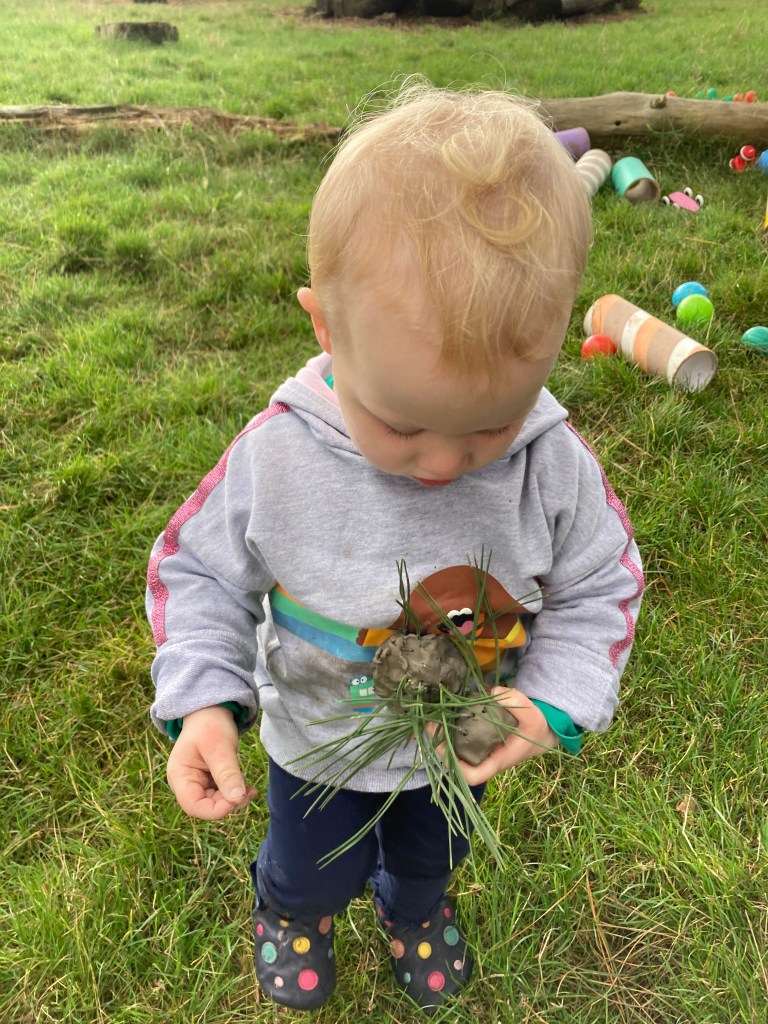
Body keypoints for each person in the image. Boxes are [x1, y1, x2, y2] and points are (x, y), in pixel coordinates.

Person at [146, 82, 643, 1014]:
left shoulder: (552, 467)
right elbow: (197, 569)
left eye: (491, 426)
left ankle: (414, 909)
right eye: (403, 426)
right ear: (327, 330)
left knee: (431, 853)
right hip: (315, 741)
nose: (444, 466)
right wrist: (207, 698)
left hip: (459, 742)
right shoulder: (279, 455)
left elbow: (602, 583)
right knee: (309, 861)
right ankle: (292, 913)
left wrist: (551, 702)